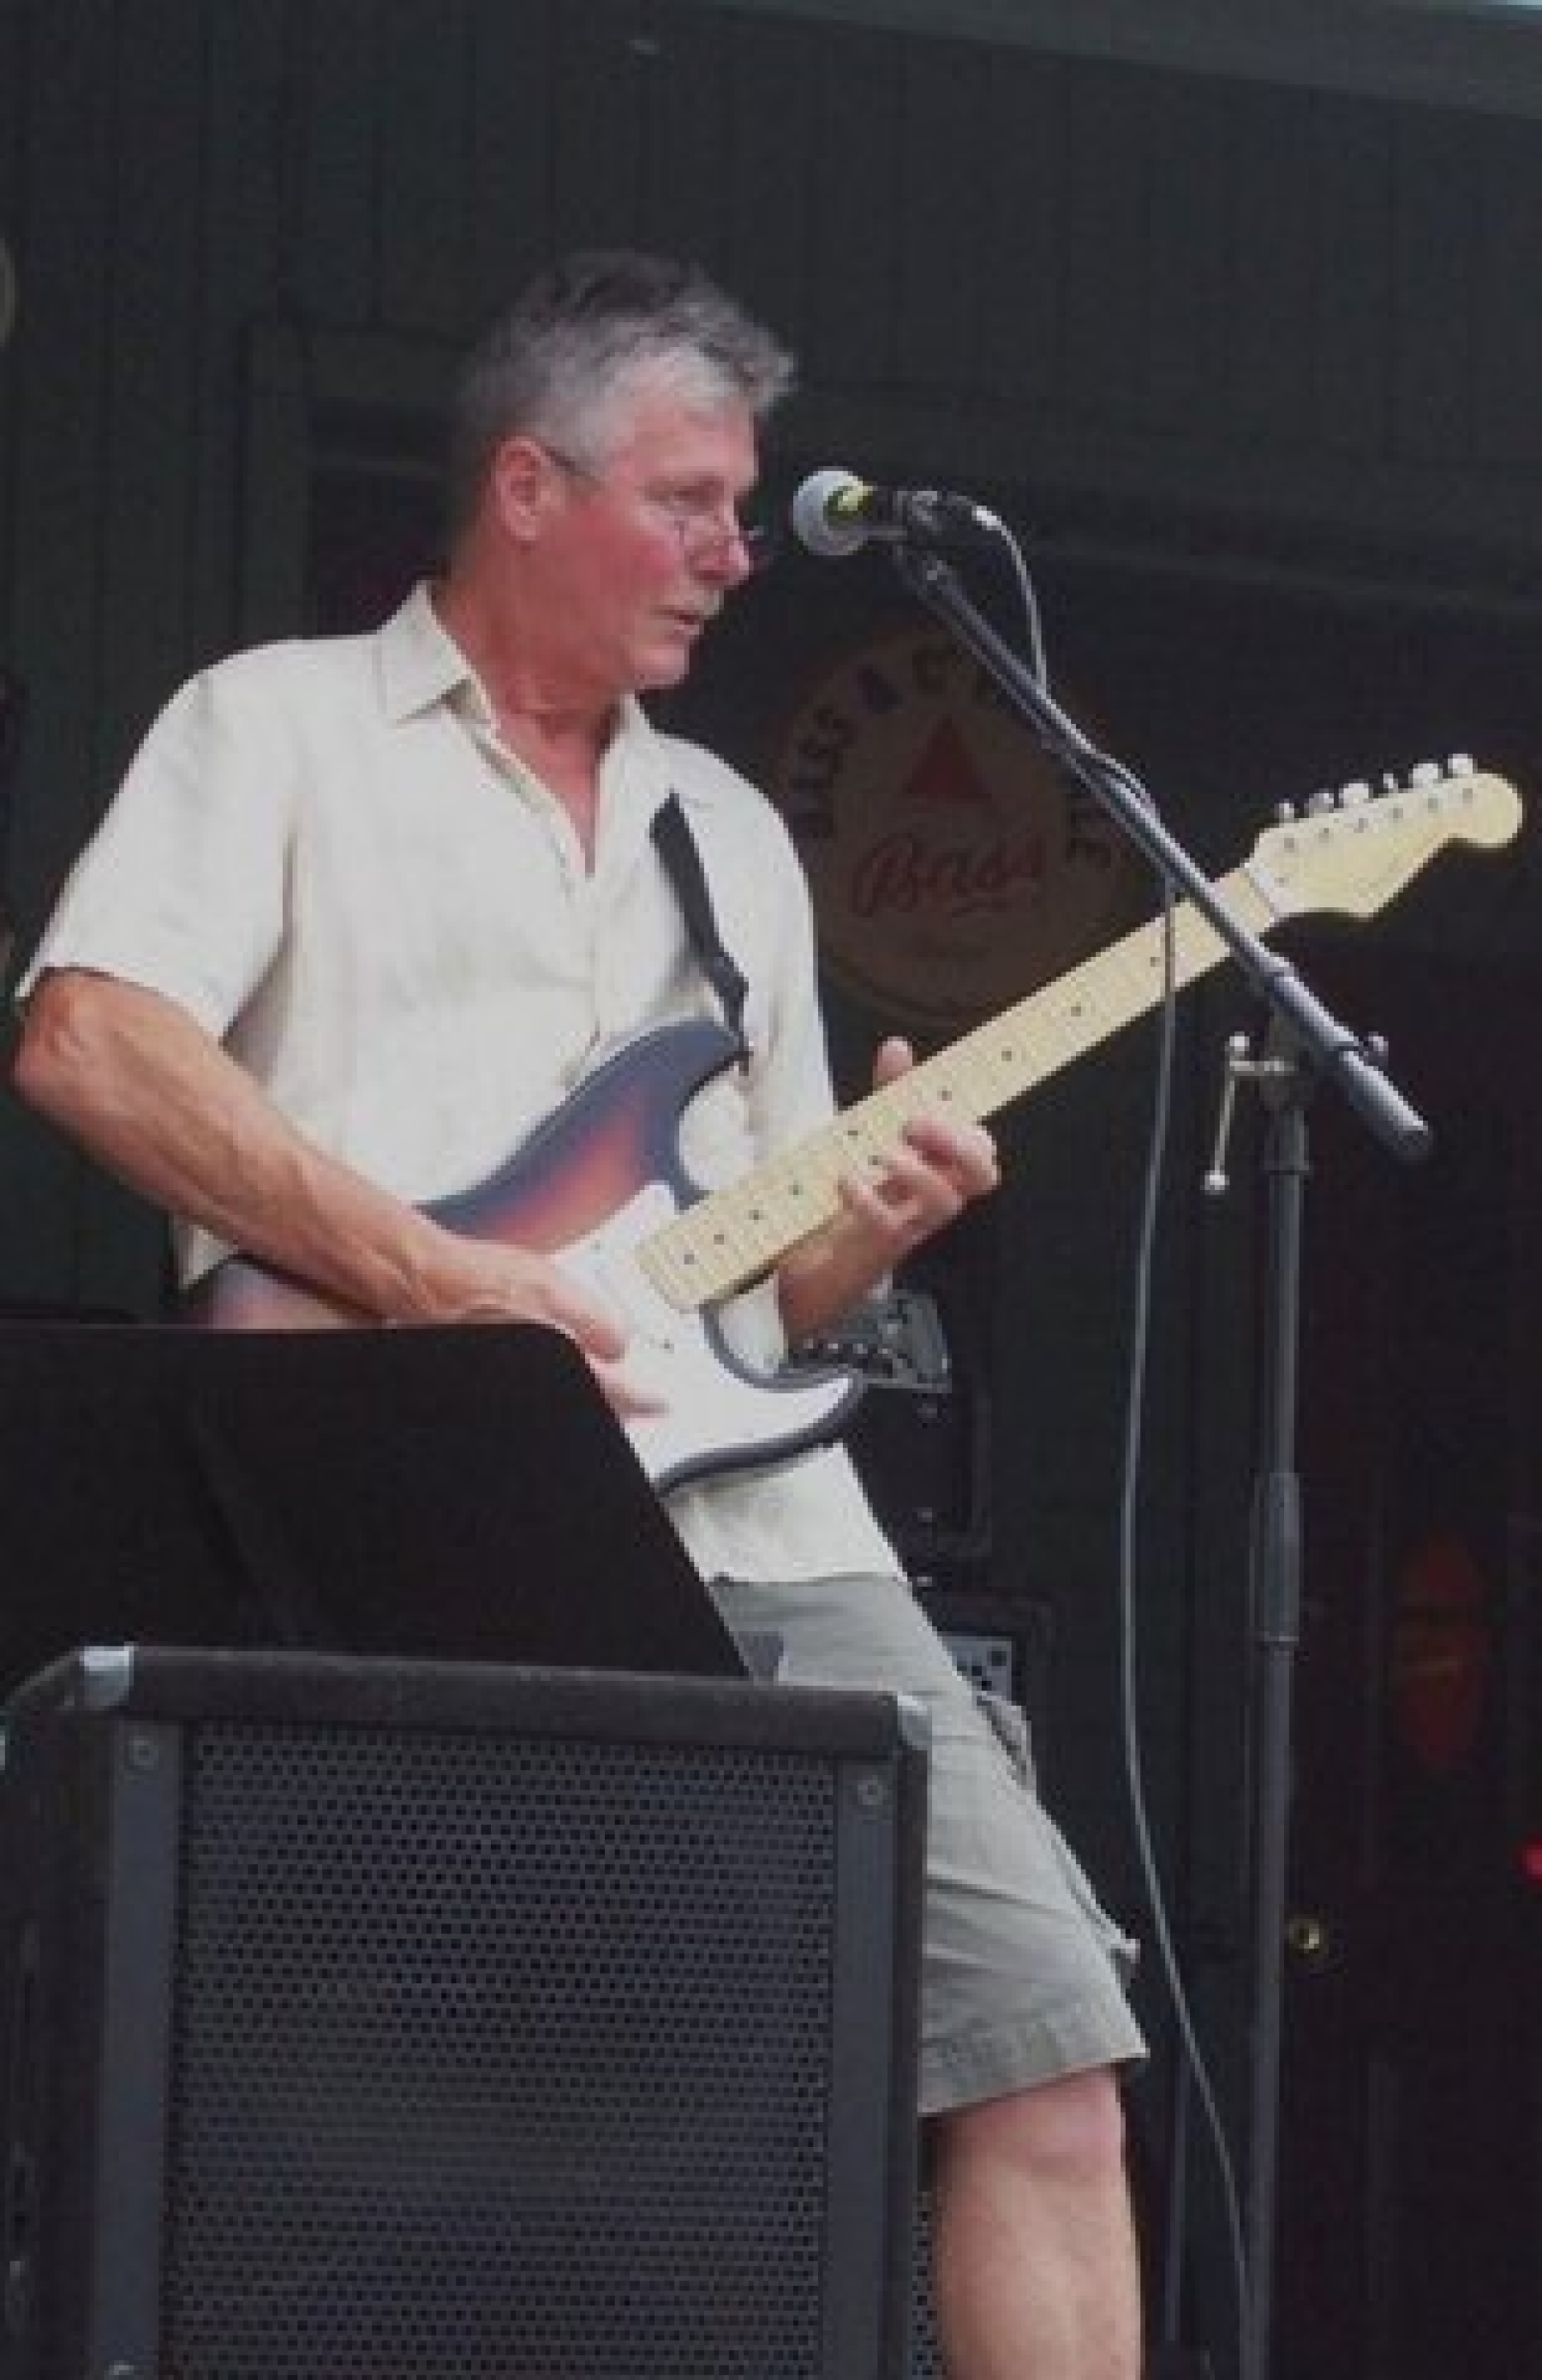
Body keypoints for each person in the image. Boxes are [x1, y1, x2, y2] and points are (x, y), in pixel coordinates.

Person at [12, 248, 1145, 2377]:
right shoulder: (273, 727)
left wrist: (875, 1221)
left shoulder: (731, 834)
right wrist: (442, 1281)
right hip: (407, 1501)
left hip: (758, 1535)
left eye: (743, 508)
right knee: (350, 2133)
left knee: (1047, 2062)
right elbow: (90, 1041)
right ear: (529, 486)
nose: (735, 552)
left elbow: (773, 1287)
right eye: (691, 500)